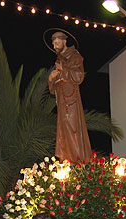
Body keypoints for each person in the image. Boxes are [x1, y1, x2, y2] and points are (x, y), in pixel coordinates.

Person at [48, 31, 92, 163]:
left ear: (64, 41)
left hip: (71, 100)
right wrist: (51, 79)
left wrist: (63, 69)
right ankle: (66, 161)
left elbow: (79, 76)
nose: (55, 46)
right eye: (53, 44)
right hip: (62, 100)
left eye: (57, 43)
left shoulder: (74, 56)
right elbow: (53, 88)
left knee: (73, 128)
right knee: (63, 130)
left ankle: (77, 162)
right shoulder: (59, 59)